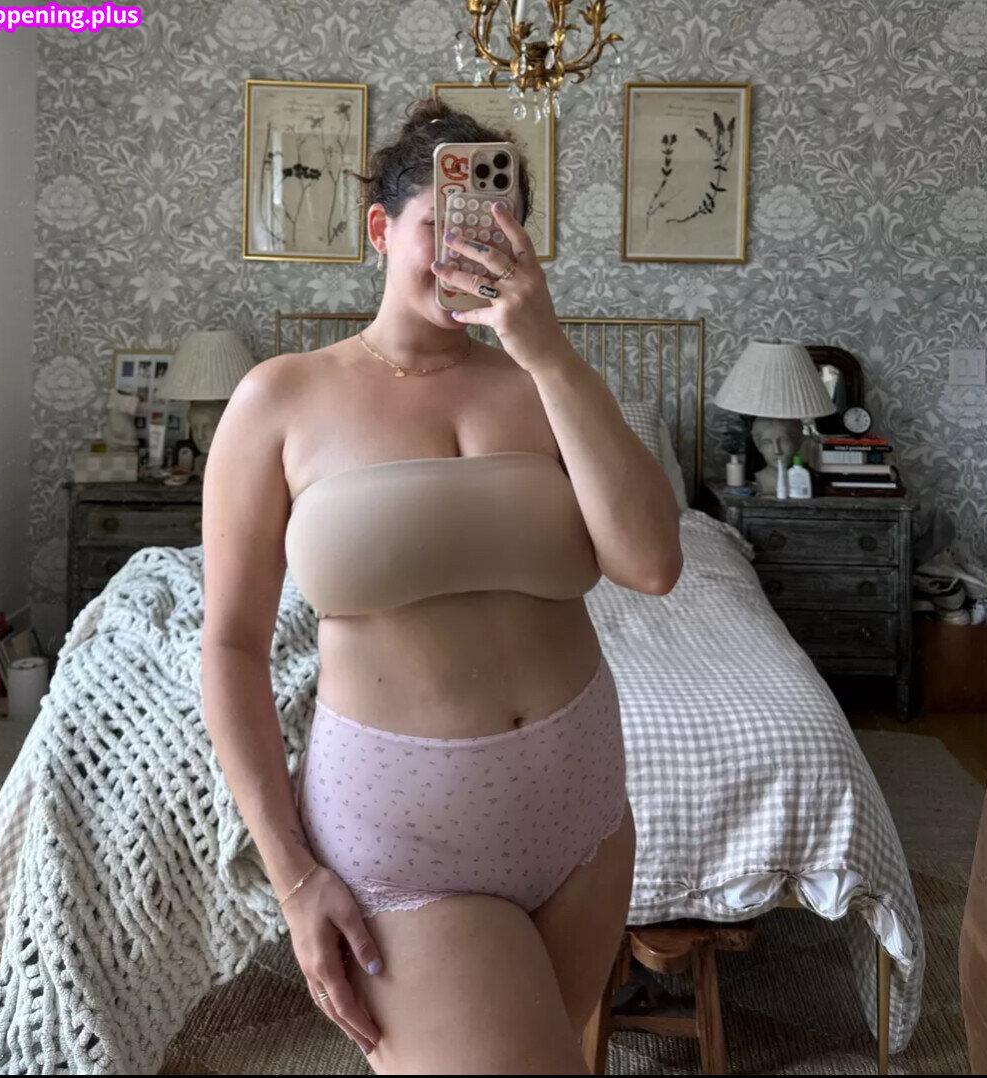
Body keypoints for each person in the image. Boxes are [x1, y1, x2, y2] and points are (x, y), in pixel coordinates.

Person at [200, 97, 683, 1074]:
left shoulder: (548, 385)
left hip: (583, 823)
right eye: (445, 225)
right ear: (381, 230)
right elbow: (232, 646)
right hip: (404, 847)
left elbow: (653, 562)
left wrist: (546, 349)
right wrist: (291, 876)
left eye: (499, 228)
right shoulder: (281, 398)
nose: (471, 251)